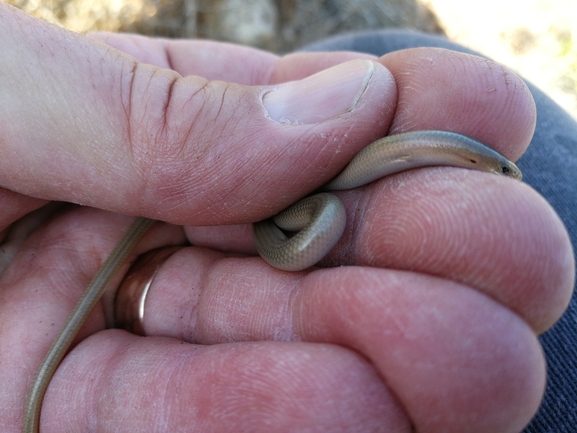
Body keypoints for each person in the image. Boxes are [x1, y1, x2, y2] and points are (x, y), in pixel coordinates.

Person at [0, 3, 574, 432]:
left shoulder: (441, 148)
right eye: (497, 169)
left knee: (401, 63)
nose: (500, 171)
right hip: (283, 205)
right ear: (475, 159)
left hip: (293, 207)